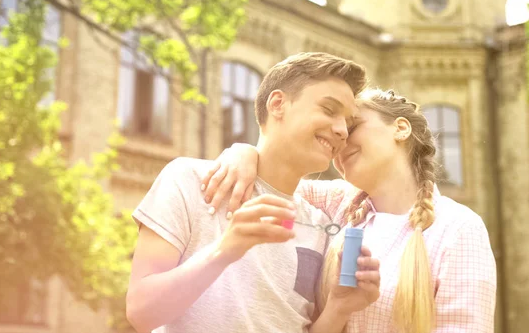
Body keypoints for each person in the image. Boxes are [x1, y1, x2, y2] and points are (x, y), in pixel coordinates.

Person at [201, 88, 498, 333]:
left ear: (400, 128)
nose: (339, 143)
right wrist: (243, 152)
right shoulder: (338, 205)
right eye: (337, 134)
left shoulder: (458, 228)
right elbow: (273, 177)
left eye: (351, 127)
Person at [126, 52, 382, 333]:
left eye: (348, 121)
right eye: (329, 110)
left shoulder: (322, 228)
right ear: (278, 104)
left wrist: (338, 308)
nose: (342, 130)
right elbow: (141, 313)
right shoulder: (189, 180)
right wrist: (225, 250)